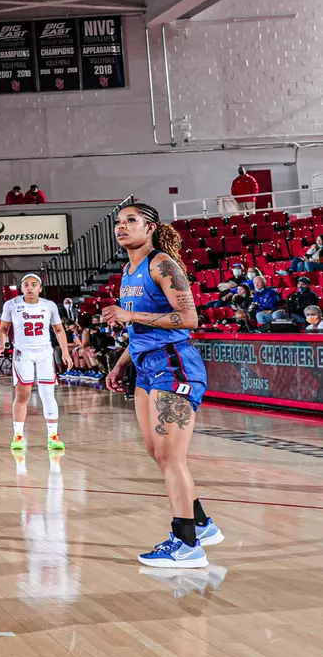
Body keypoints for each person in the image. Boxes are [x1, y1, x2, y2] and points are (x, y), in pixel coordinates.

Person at [101, 202, 223, 568]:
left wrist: (130, 314)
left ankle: (187, 543)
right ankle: (201, 523)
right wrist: (120, 363)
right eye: (119, 222)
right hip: (145, 366)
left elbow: (189, 318)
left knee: (171, 456)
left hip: (174, 365)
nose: (122, 227)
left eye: (131, 221)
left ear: (150, 227)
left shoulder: (161, 264)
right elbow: (138, 331)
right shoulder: (128, 269)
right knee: (157, 452)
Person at [0, 274, 72, 452]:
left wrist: (65, 353)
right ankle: (18, 436)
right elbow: (3, 328)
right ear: (21, 288)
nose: (30, 288)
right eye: (26, 285)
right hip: (23, 352)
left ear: (40, 288)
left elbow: (59, 330)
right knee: (22, 395)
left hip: (44, 352)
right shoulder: (11, 305)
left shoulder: (49, 306)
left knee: (48, 394)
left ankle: (53, 436)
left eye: (34, 284)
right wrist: (1, 343)